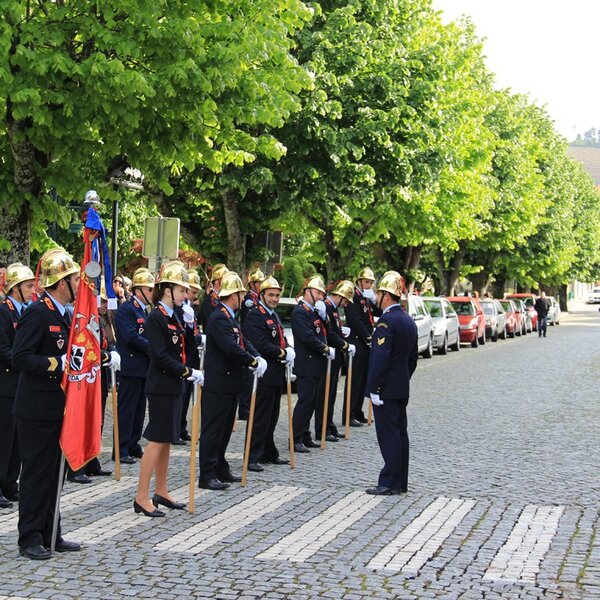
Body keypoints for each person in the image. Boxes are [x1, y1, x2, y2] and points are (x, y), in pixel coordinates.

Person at [12, 248, 82, 559]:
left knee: (56, 472)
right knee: (36, 472)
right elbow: (21, 358)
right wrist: (58, 362)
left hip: (59, 408)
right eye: (74, 279)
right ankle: (29, 536)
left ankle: (51, 531)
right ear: (61, 283)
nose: (79, 284)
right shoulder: (38, 312)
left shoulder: (66, 315)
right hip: (36, 408)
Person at [134, 261, 202, 517]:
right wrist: (188, 372)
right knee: (156, 440)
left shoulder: (174, 316)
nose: (186, 296)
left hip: (173, 384)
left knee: (166, 440)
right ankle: (141, 495)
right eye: (181, 290)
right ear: (167, 290)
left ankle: (161, 489)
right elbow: (160, 356)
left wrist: (189, 326)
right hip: (162, 384)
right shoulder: (156, 318)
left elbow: (187, 348)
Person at [198, 271, 267, 490]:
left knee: (226, 428)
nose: (241, 298)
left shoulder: (229, 317)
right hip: (218, 384)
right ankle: (207, 473)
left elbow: (243, 340)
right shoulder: (219, 317)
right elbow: (230, 347)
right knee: (213, 429)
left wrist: (256, 355)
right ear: (234, 295)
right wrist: (251, 361)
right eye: (240, 294)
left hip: (230, 384)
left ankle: (220, 467)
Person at [365, 271, 418, 496]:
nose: (376, 298)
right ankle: (399, 481)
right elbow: (412, 359)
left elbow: (380, 359)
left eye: (378, 294)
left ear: (386, 296)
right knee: (400, 435)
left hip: (386, 389)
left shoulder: (387, 321)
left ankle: (388, 481)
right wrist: (402, 378)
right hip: (400, 387)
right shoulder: (408, 320)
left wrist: (374, 388)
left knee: (388, 436)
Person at [242, 275, 295, 471]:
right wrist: (282, 352)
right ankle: (252, 456)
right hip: (262, 374)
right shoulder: (255, 315)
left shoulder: (274, 315)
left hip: (276, 373)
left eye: (277, 295)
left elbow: (281, 338)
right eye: (271, 295)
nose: (274, 298)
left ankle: (268, 452)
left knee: (272, 416)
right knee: (259, 416)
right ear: (262, 295)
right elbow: (260, 343)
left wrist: (289, 349)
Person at [0, 263, 36, 509]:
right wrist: (22, 361)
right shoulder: (4, 312)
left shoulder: (25, 311)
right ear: (16, 289)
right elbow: (3, 347)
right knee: (3, 439)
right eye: (29, 286)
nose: (33, 291)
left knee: (15, 441)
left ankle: (11, 484)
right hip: (6, 382)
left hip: (20, 383)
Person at [114, 267, 155, 464]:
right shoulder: (126, 310)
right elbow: (130, 337)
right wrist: (153, 347)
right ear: (138, 290)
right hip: (130, 366)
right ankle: (120, 447)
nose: (151, 293)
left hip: (142, 367)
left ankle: (133, 443)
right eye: (149, 290)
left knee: (139, 409)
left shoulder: (143, 310)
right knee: (127, 409)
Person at [291, 275, 333, 453]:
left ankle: (305, 435)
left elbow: (325, 331)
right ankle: (296, 438)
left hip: (316, 364)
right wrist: (324, 348)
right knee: (305, 402)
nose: (320, 297)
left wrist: (325, 316)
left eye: (322, 294)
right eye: (317, 293)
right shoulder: (300, 312)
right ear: (307, 292)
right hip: (306, 364)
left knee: (312, 402)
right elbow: (308, 337)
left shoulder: (313, 311)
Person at [315, 280, 356, 442]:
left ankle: (329, 425)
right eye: (345, 300)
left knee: (331, 395)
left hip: (336, 357)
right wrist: (345, 345)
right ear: (338, 297)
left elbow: (334, 330)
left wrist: (342, 332)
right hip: (329, 357)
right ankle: (321, 429)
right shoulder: (326, 307)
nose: (346, 304)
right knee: (324, 395)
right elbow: (329, 334)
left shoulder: (333, 309)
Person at [343, 267, 380, 426]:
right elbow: (355, 320)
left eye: (371, 283)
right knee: (354, 380)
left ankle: (358, 411)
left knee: (363, 380)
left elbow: (378, 312)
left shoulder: (365, 297)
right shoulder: (353, 296)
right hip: (357, 341)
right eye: (366, 282)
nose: (369, 285)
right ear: (359, 281)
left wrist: (374, 300)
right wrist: (367, 337)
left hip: (365, 343)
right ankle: (348, 414)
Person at [176, 269, 204, 444]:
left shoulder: (189, 307)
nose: (193, 294)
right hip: (182, 358)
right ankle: (175, 429)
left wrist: (199, 337)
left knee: (186, 396)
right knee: (180, 396)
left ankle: (181, 427)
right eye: (192, 291)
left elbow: (194, 329)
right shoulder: (180, 309)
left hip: (191, 355)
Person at [238, 266, 265, 420]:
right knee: (247, 379)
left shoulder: (256, 299)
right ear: (252, 284)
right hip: (247, 338)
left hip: (251, 341)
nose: (260, 285)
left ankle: (249, 407)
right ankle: (244, 408)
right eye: (258, 283)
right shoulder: (249, 300)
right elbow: (249, 322)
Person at [199, 263, 228, 330]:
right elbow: (212, 325)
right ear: (217, 281)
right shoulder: (209, 301)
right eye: (225, 280)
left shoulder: (222, 299)